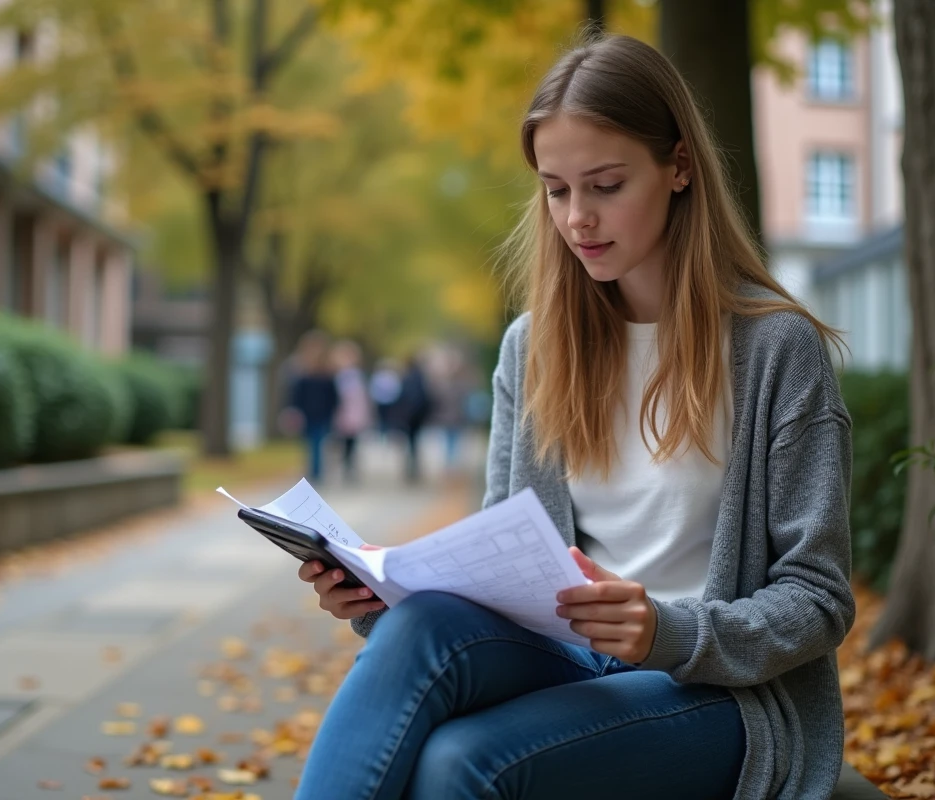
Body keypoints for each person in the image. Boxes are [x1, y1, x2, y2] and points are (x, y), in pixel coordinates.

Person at [294, 33, 854, 800]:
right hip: (570, 654)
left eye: (605, 185)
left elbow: (819, 599)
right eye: (557, 190)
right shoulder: (533, 348)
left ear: (679, 167)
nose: (578, 218)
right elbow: (499, 554)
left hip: (721, 691)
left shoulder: (775, 349)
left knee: (459, 764)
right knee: (418, 631)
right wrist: (381, 596)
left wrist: (669, 630)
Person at [282, 330, 339, 484]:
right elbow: (296, 394)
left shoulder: (326, 372)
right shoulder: (302, 371)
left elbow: (333, 396)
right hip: (308, 414)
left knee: (317, 442)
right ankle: (314, 471)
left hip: (320, 414)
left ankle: (316, 472)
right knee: (312, 443)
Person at [330, 339, 373, 483]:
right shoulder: (338, 375)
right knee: (344, 442)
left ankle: (350, 466)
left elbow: (361, 397)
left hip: (354, 413)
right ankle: (346, 465)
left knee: (352, 442)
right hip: (343, 413)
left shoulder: (356, 375)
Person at [394, 353, 434, 483]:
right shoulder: (421, 378)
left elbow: (400, 397)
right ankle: (414, 467)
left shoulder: (405, 378)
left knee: (409, 442)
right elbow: (426, 397)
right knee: (415, 442)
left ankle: (410, 467)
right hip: (417, 416)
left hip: (408, 416)